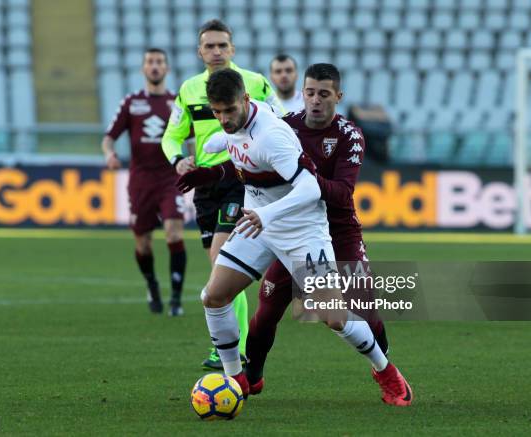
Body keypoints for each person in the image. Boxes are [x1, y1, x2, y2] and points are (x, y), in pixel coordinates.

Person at [178, 64, 414, 406]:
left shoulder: (273, 133)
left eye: (229, 111)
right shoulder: (238, 124)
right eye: (217, 112)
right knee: (213, 296)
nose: (224, 119)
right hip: (259, 224)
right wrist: (210, 174)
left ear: (245, 100)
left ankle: (385, 370)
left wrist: (265, 213)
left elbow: (307, 189)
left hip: (302, 229)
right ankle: (236, 380)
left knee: (333, 316)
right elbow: (241, 155)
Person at [161, 19, 283, 369]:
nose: (216, 51)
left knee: (221, 259)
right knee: (220, 266)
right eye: (209, 46)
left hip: (242, 177)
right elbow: (171, 136)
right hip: (205, 185)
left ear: (232, 49)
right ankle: (235, 341)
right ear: (199, 51)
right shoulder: (188, 90)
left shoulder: (255, 83)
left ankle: (233, 349)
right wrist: (177, 159)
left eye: (222, 45)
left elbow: (284, 119)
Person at [102, 48, 186, 317]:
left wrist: (195, 159)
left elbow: (195, 136)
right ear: (143, 69)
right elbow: (109, 137)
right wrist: (110, 153)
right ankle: (152, 284)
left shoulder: (178, 103)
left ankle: (176, 298)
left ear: (167, 68)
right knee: (143, 243)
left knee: (174, 232)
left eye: (160, 62)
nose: (154, 66)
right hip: (140, 181)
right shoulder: (131, 102)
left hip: (170, 178)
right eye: (150, 62)